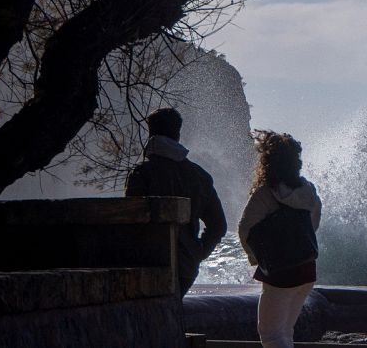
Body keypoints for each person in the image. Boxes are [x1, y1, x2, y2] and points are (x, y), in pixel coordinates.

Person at [125, 107, 227, 296]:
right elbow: (219, 225)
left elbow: (131, 221)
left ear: (151, 134)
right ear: (178, 135)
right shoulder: (199, 176)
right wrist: (197, 253)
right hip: (186, 267)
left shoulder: (142, 173)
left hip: (148, 264)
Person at [238, 131, 322, 348]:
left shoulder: (266, 193)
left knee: (271, 335)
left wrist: (257, 258)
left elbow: (245, 229)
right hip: (307, 268)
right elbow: (312, 226)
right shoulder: (308, 191)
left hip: (280, 270)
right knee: (285, 332)